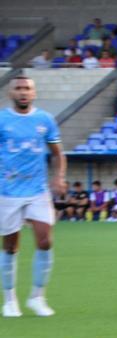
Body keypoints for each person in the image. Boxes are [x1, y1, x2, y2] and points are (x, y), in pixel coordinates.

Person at [0, 76, 67, 318]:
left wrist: (59, 177)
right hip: (7, 191)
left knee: (44, 240)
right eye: (18, 88)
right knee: (10, 245)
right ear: (11, 93)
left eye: (27, 88)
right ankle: (9, 300)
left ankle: (37, 297)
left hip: (38, 190)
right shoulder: (2, 120)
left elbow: (59, 154)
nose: (23, 92)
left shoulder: (45, 120)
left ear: (34, 93)